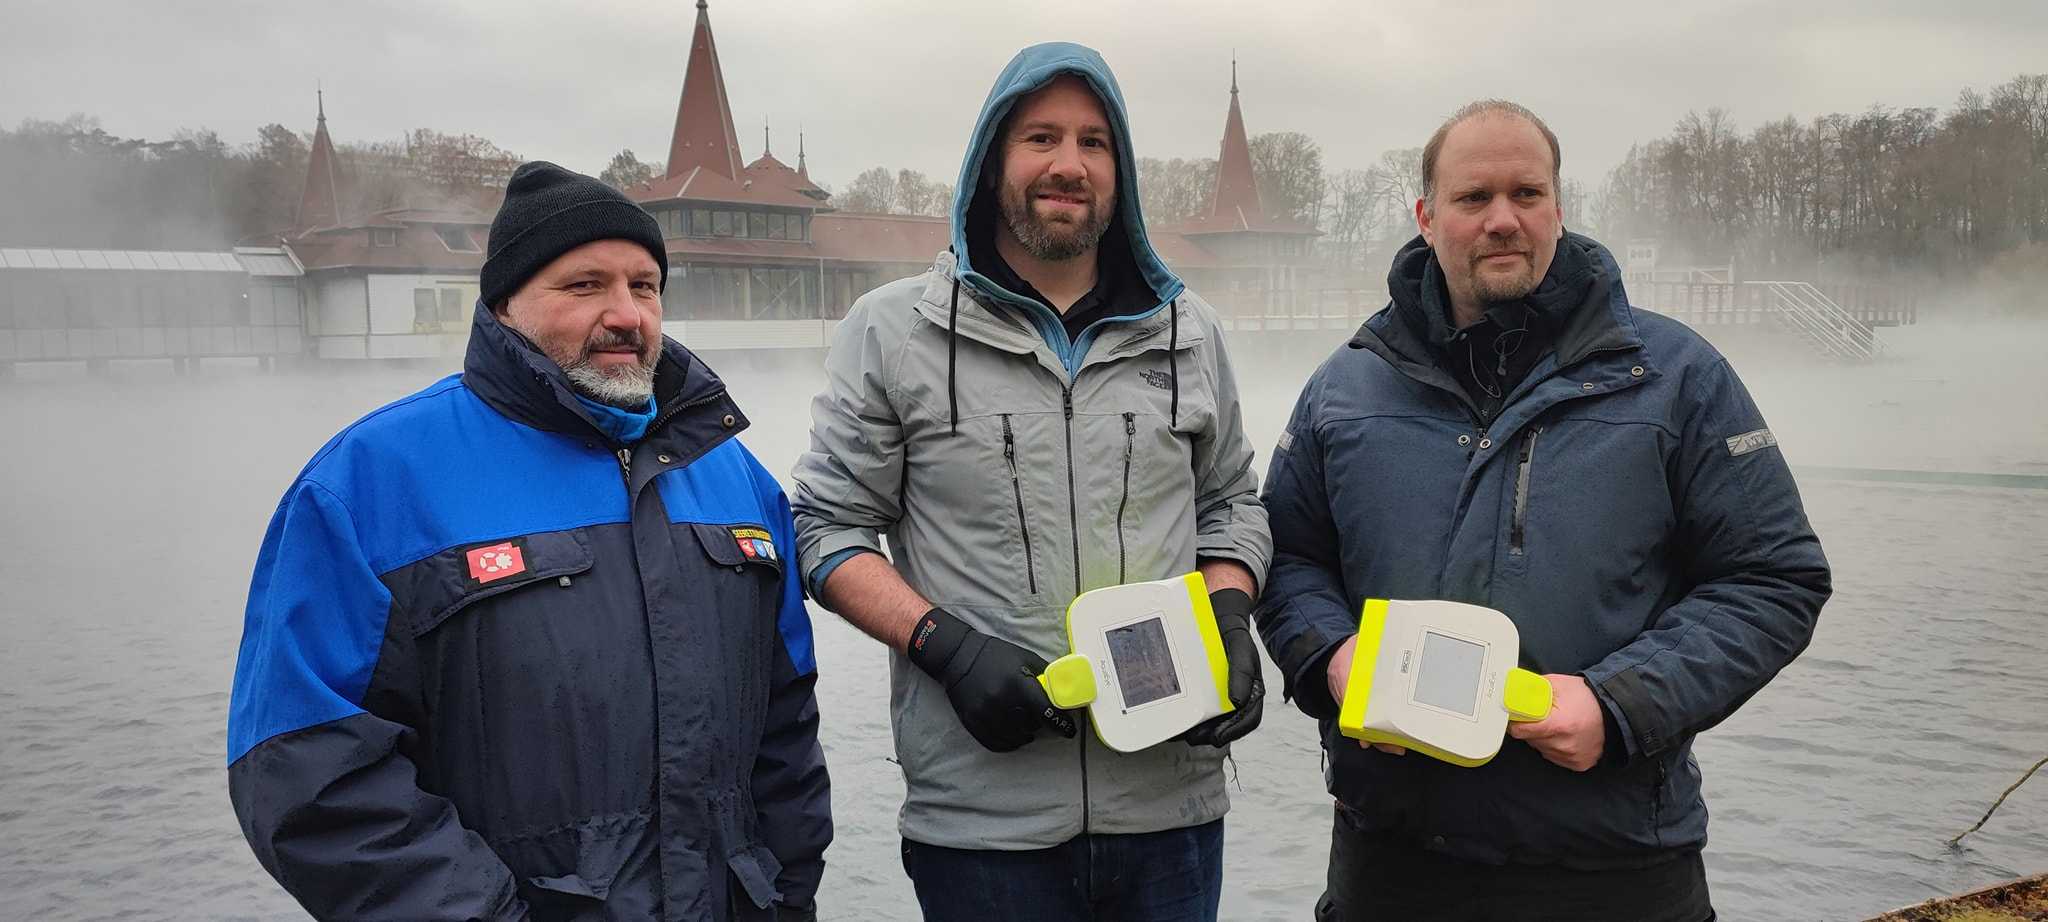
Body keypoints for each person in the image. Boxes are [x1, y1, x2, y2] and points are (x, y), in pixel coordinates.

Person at [1254, 100, 1830, 922]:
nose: (1503, 219)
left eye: (1526, 193)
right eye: (1473, 197)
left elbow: (1773, 580)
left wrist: (1621, 704)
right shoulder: (1345, 386)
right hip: (1389, 863)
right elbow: (1288, 555)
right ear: (1426, 217)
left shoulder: (1678, 377)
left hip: (1615, 867)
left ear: (1559, 207)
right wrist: (1333, 658)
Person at [226, 162, 830, 921]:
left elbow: (786, 737)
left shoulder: (734, 477)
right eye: (585, 285)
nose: (626, 314)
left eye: (645, 286)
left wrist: (786, 903)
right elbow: (307, 771)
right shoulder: (368, 483)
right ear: (504, 304)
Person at [789, 43, 1271, 922]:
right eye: (1040, 137)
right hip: (982, 827)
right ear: (991, 160)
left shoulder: (1191, 332)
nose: (1069, 164)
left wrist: (1231, 615)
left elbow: (1231, 503)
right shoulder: (893, 331)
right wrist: (943, 645)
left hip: (1172, 809)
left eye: (1094, 142)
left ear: (1121, 171)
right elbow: (825, 527)